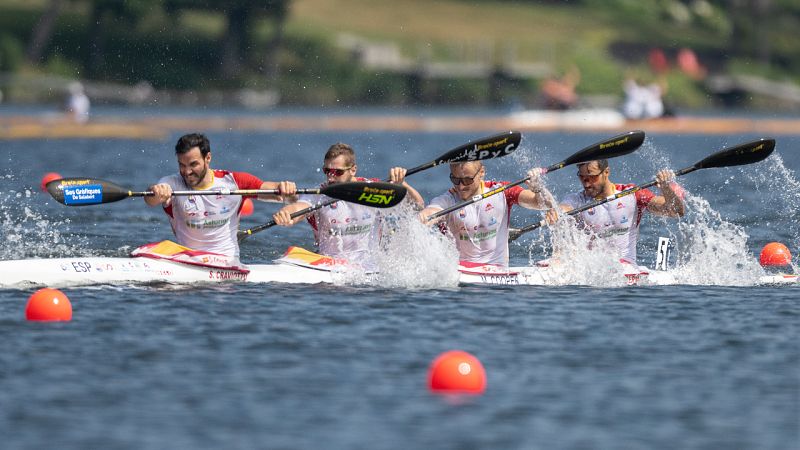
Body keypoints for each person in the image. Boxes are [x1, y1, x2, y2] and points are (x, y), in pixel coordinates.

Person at [145, 133, 297, 260]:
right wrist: (157, 192)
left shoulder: (234, 182)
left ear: (208, 158)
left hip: (226, 262)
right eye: (182, 165)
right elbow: (150, 199)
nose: (187, 172)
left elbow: (280, 194)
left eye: (193, 165)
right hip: (186, 259)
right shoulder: (171, 183)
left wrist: (286, 189)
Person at [272, 142, 423, 264]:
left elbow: (417, 206)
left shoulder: (374, 190)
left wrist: (402, 185)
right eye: (327, 171)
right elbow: (299, 208)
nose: (331, 177)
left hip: (369, 266)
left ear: (353, 170)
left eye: (338, 172)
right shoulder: (319, 195)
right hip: (329, 265)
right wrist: (286, 214)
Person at [544, 159, 685, 265]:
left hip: (624, 267)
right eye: (582, 177)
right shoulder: (577, 199)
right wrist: (556, 212)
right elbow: (564, 207)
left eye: (592, 177)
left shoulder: (632, 194)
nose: (586, 183)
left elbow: (676, 211)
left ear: (606, 172)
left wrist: (665, 187)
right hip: (589, 269)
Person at [419, 162, 552, 268]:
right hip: (459, 273)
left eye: (467, 180)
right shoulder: (447, 200)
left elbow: (546, 204)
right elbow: (432, 210)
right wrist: (424, 217)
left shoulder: (501, 191)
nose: (461, 186)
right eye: (455, 179)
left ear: (481, 172)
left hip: (497, 276)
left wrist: (538, 188)